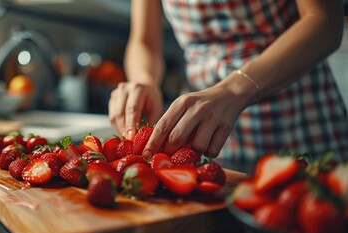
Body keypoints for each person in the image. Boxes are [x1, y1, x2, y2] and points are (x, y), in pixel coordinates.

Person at [108, 0, 348, 162]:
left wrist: (233, 90)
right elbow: (145, 40)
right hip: (199, 129)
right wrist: (144, 79)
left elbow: (324, 21)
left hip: (299, 118)